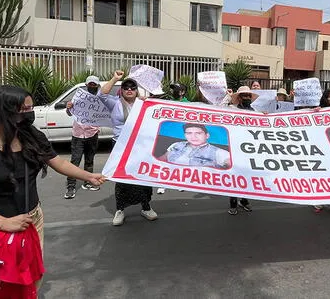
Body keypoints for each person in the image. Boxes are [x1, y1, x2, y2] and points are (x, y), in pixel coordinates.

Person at [0, 85, 105, 295]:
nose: (29, 114)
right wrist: (4, 223)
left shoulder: (32, 137)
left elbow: (57, 162)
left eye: (30, 108)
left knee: (32, 279)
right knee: (2, 286)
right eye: (24, 110)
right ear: (3, 111)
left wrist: (88, 176)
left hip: (33, 220)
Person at [99, 70, 157, 226]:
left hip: (140, 146)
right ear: (121, 90)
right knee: (121, 177)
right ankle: (120, 210)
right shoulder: (115, 103)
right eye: (126, 87)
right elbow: (101, 94)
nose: (129, 90)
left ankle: (146, 206)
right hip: (120, 146)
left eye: (132, 87)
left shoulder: (144, 103)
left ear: (137, 90)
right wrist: (115, 78)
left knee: (142, 177)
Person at [63, 76, 102, 199]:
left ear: (97, 86)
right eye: (90, 84)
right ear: (86, 85)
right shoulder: (78, 97)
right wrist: (68, 107)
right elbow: (70, 113)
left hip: (92, 134)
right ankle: (71, 187)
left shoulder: (100, 99)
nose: (92, 86)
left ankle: (88, 182)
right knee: (75, 161)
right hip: (78, 135)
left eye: (94, 84)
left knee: (89, 160)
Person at [227, 86, 257, 215]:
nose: (247, 98)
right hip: (234, 148)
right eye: (244, 96)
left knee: (246, 176)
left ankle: (244, 200)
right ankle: (233, 203)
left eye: (248, 96)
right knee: (234, 176)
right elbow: (218, 111)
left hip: (248, 149)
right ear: (239, 98)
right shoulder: (232, 109)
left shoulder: (254, 111)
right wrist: (227, 97)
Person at [159, 123, 231, 169]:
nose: (193, 137)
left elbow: (234, 168)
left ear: (207, 135)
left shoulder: (218, 152)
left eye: (198, 133)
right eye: (189, 133)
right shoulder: (176, 145)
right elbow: (161, 159)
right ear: (185, 135)